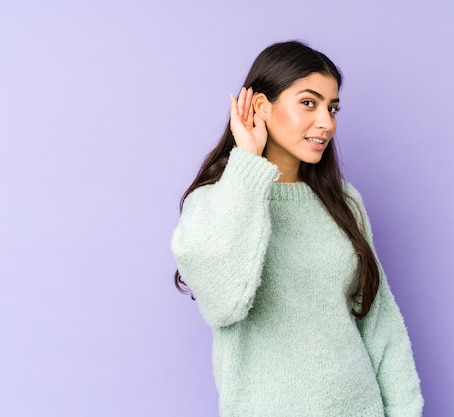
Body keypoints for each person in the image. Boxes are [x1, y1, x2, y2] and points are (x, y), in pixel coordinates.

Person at [170, 40, 424, 417]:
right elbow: (225, 304)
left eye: (332, 107)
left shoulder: (345, 202)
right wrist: (247, 163)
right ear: (261, 106)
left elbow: (379, 320)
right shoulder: (213, 202)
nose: (327, 122)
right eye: (309, 103)